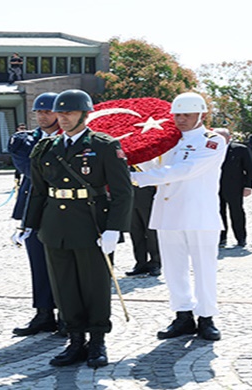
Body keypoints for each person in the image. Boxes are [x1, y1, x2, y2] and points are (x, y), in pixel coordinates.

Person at [24, 89, 133, 368]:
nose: (63, 118)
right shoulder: (45, 148)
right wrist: (28, 225)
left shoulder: (105, 145)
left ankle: (97, 340)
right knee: (64, 285)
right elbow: (38, 192)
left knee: (94, 284)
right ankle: (75, 340)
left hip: (91, 225)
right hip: (55, 226)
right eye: (60, 113)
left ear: (85, 114)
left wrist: (115, 229)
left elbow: (122, 192)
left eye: (69, 112)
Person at [130, 92, 226, 341]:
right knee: (174, 269)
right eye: (177, 115)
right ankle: (182, 315)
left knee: (205, 268)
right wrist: (132, 160)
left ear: (201, 115)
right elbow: (155, 167)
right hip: (168, 213)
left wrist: (137, 179)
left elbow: (185, 170)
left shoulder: (212, 140)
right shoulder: (168, 141)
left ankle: (206, 317)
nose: (180, 119)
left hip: (199, 215)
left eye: (187, 115)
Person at [9, 92, 63, 337]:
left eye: (48, 111)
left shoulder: (73, 140)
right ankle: (43, 314)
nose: (42, 116)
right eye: (39, 112)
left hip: (67, 210)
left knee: (66, 265)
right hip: (34, 210)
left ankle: (67, 314)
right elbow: (31, 170)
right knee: (39, 264)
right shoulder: (24, 141)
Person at [215, 127, 252, 247]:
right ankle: (221, 238)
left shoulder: (240, 149)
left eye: (222, 137)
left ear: (229, 138)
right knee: (218, 213)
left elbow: (250, 168)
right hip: (215, 187)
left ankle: (241, 238)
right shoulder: (210, 149)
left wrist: (248, 186)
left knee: (236, 213)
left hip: (235, 187)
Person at [125, 174, 161, 277]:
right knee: (135, 233)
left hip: (147, 195)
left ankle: (155, 263)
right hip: (130, 196)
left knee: (151, 232)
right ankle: (140, 263)